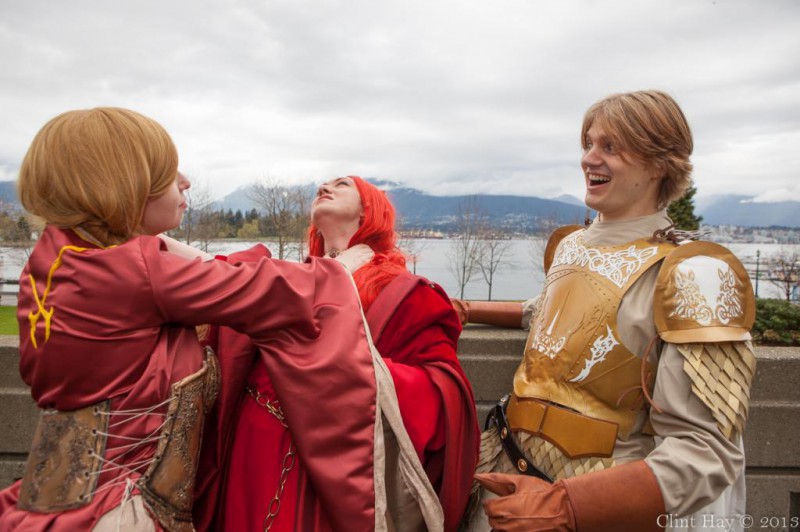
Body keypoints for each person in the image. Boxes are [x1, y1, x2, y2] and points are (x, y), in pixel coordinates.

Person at [0, 107, 378, 531]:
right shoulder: (135, 273)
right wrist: (337, 269)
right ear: (122, 183)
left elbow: (194, 277)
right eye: (166, 172)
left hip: (52, 499)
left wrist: (157, 246)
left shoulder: (59, 261)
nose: (185, 182)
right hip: (118, 514)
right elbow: (261, 290)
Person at [458, 90, 756, 532]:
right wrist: (461, 308)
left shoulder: (696, 273)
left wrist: (565, 506)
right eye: (588, 144)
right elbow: (545, 315)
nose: (589, 159)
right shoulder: (571, 245)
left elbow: (706, 451)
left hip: (595, 512)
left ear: (659, 164)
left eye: (611, 147)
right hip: (503, 477)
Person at [194, 176, 479, 531]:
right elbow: (216, 276)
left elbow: (441, 390)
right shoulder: (291, 277)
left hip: (325, 469)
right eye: (323, 185)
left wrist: (353, 368)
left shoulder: (404, 292)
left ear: (368, 212)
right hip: (250, 449)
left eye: (342, 184)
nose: (324, 187)